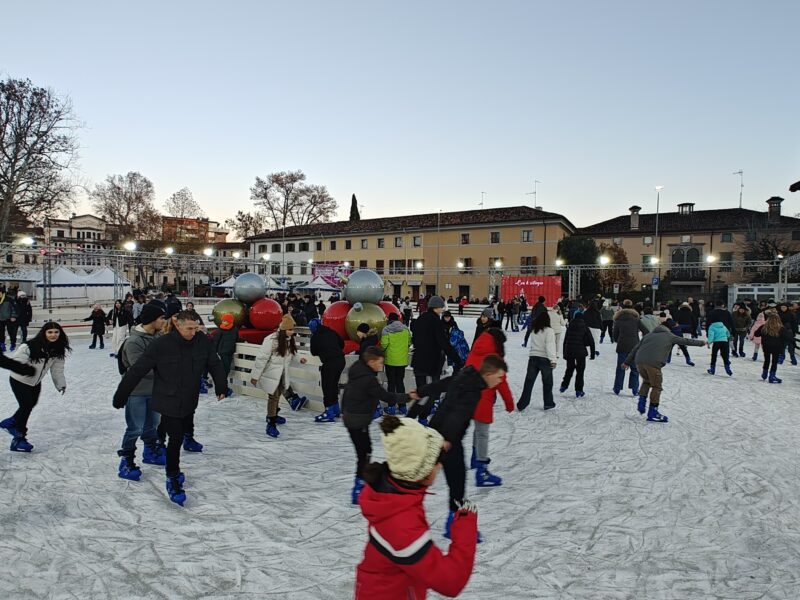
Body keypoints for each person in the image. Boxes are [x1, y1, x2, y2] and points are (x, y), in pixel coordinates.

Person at [112, 310, 230, 506]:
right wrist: (121, 394)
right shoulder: (162, 344)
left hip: (189, 398)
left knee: (180, 430)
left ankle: (155, 446)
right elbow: (138, 369)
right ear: (178, 326)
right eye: (189, 329)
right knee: (175, 438)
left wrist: (221, 385)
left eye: (196, 328)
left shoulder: (202, 341)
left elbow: (214, 363)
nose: (193, 332)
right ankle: (172, 477)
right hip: (167, 399)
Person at [354, 415, 477, 599]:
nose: (440, 466)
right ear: (423, 472)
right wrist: (466, 523)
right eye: (438, 460)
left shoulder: (392, 495)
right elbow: (451, 581)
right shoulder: (402, 525)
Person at [415, 354, 507, 539]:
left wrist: (422, 391)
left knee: (427, 478)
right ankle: (453, 524)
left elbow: (445, 383)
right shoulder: (473, 390)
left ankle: (407, 515)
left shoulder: (466, 374)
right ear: (488, 374)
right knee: (455, 481)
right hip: (447, 438)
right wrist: (448, 441)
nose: (499, 382)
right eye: (498, 377)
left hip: (436, 432)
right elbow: (458, 413)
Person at [342, 346, 411, 505]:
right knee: (364, 452)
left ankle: (361, 483)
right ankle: (359, 487)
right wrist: (407, 397)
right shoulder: (368, 379)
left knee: (365, 450)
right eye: (379, 363)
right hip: (357, 419)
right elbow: (386, 395)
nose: (381, 366)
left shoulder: (358, 369)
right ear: (371, 361)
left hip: (351, 416)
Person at [116, 303, 168, 480]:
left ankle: (150, 452)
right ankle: (126, 460)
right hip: (137, 391)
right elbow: (141, 368)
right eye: (161, 318)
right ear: (152, 320)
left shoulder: (158, 337)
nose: (164, 321)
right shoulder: (134, 342)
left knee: (152, 424)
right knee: (135, 428)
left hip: (155, 390)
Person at [0, 322, 69, 452]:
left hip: (35, 383)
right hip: (19, 380)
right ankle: (13, 428)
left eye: (56, 332)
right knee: (26, 406)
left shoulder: (58, 349)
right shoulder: (29, 346)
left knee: (29, 407)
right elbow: (17, 361)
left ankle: (17, 436)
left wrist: (61, 384)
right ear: (44, 333)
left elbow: (57, 369)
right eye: (50, 332)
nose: (53, 335)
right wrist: (25, 369)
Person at [623, 322, 705, 423]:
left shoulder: (648, 335)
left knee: (646, 382)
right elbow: (686, 341)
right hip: (653, 364)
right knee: (656, 387)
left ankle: (641, 403)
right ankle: (653, 412)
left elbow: (635, 349)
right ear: (668, 328)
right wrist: (702, 343)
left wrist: (627, 362)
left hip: (639, 362)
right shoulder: (669, 336)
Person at [467, 328, 513, 486]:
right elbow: (501, 381)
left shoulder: (475, 350)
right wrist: (509, 402)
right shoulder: (493, 357)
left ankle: (474, 458)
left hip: (468, 397)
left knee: (477, 430)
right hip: (483, 399)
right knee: (483, 433)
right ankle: (482, 470)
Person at [407, 296, 463, 425]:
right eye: (441, 307)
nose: (442, 309)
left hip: (418, 362)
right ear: (437, 307)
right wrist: (457, 359)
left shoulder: (420, 319)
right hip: (430, 364)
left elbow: (415, 340)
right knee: (431, 392)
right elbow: (444, 343)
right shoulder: (436, 322)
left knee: (421, 392)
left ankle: (414, 418)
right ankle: (420, 417)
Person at [250, 315, 306, 438]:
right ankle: (271, 422)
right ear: (284, 329)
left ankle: (274, 414)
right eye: (290, 329)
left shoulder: (288, 339)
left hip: (282, 374)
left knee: (278, 394)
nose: (292, 332)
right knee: (273, 397)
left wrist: (300, 358)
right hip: (271, 373)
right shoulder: (271, 340)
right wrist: (255, 376)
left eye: (293, 329)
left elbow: (292, 353)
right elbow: (261, 359)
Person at [517, 311, 557, 410]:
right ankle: (548, 403)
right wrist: (553, 359)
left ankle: (522, 403)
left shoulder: (534, 330)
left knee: (529, 382)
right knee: (547, 382)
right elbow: (550, 346)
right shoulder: (549, 331)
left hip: (533, 358)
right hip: (545, 359)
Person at [310, 319, 346, 422]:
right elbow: (342, 344)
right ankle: (335, 409)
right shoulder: (332, 332)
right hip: (340, 360)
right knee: (334, 384)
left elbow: (313, 352)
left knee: (327, 386)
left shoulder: (315, 337)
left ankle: (329, 411)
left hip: (329, 362)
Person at [612, 301, 648, 396]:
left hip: (622, 346)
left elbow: (614, 335)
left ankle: (617, 388)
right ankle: (634, 389)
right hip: (634, 346)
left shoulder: (618, 320)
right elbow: (646, 331)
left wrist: (618, 340)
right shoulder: (636, 320)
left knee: (621, 367)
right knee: (634, 368)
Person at [380, 313, 411, 415]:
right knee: (400, 383)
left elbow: (384, 345)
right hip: (402, 361)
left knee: (391, 383)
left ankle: (391, 407)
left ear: (389, 319)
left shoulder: (386, 330)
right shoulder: (406, 329)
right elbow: (409, 343)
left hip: (390, 361)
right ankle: (403, 407)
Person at [559, 312, 595, 398]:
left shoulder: (570, 326)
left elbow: (565, 340)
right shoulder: (585, 326)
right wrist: (592, 354)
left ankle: (564, 385)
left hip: (570, 350)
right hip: (581, 352)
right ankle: (579, 390)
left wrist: (564, 353)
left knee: (569, 369)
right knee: (580, 371)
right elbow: (591, 341)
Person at [754, 311, 793, 383]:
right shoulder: (781, 328)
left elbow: (756, 334)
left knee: (767, 360)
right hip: (777, 347)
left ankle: (764, 373)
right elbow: (787, 338)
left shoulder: (764, 327)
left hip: (766, 346)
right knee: (774, 361)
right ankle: (772, 376)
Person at [0, 287, 18, 352]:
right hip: (1, 319)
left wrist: (13, 316)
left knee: (11, 332)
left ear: (2, 293)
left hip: (9, 319)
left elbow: (14, 309)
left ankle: (13, 344)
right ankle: (2, 345)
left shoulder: (8, 299)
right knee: (1, 333)